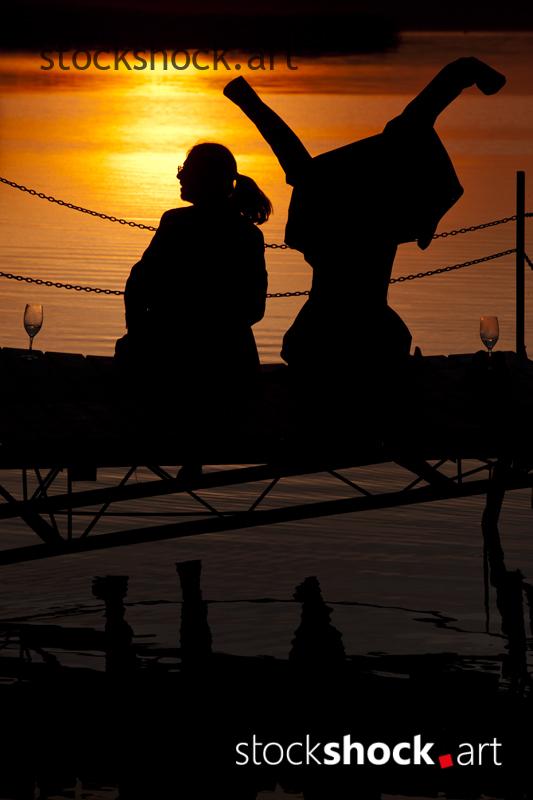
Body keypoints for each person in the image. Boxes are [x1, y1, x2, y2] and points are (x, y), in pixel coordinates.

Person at [223, 60, 505, 438]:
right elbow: (413, 121)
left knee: (329, 162)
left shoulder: (336, 217)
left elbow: (296, 160)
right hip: (369, 343)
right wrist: (460, 74)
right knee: (393, 136)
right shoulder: (382, 219)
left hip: (325, 343)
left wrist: (248, 102)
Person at [116, 143, 271, 423]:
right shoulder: (249, 235)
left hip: (174, 370)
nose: (179, 177)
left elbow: (138, 285)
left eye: (184, 170)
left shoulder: (176, 223)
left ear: (204, 178)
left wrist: (143, 334)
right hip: (233, 370)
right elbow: (254, 309)